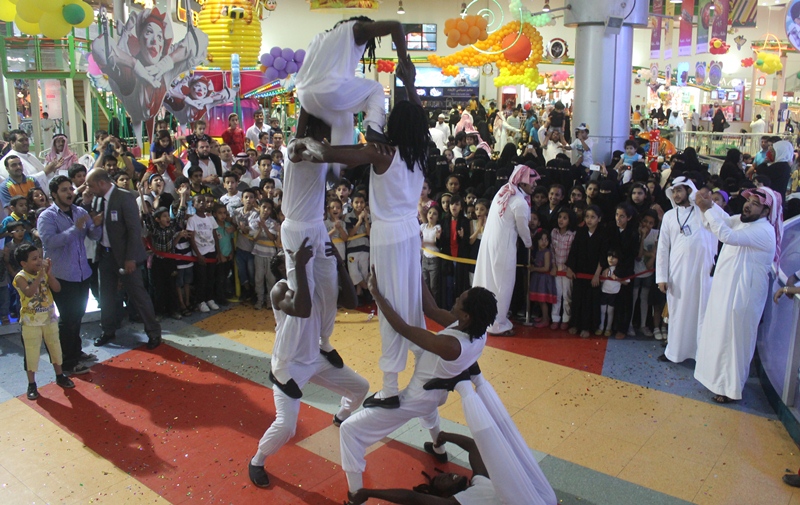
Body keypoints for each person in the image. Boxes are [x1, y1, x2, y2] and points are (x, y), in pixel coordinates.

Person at [293, 58, 428, 408]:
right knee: (410, 302)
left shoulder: (381, 153)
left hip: (388, 237)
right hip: (410, 232)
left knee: (388, 304)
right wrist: (409, 84)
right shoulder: (420, 152)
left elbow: (327, 153)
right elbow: (419, 118)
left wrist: (300, 141)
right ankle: (424, 366)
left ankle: (390, 387)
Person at [339, 268, 498, 499]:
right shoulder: (478, 331)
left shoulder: (451, 346)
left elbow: (402, 329)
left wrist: (376, 294)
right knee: (430, 407)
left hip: (417, 399)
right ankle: (438, 448)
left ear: (466, 316)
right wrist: (415, 269)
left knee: (349, 430)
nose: (456, 298)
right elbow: (430, 309)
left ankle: (356, 495)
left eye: (460, 300)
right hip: (435, 391)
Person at [248, 239, 369, 489]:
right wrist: (300, 267)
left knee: (361, 388)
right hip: (289, 366)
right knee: (286, 427)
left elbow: (352, 303)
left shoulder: (316, 286)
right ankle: (257, 461)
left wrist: (339, 264)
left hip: (316, 357)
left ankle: (341, 415)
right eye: (291, 258)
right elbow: (301, 309)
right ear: (283, 268)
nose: (302, 258)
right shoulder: (280, 290)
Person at [694, 187, 783, 403]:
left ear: (766, 212)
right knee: (719, 334)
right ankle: (716, 381)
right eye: (748, 200)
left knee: (735, 341)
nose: (748, 205)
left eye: (755, 203)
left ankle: (730, 389)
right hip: (726, 290)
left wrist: (707, 209)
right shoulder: (743, 221)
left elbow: (727, 235)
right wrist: (710, 205)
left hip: (743, 295)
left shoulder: (763, 230)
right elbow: (725, 220)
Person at [295, 16, 409, 146]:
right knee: (375, 89)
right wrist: (404, 64)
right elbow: (395, 26)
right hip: (330, 91)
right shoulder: (356, 29)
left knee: (345, 121)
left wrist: (298, 136)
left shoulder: (319, 39)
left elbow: (310, 86)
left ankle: (338, 155)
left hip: (305, 97)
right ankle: (375, 129)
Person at [86, 169, 162, 350]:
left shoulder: (124, 197)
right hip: (105, 255)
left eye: (91, 185)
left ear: (101, 183)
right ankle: (108, 330)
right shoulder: (97, 199)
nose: (89, 189)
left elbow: (134, 230)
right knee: (106, 296)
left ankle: (153, 332)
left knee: (138, 295)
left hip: (126, 256)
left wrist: (130, 258)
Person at [37, 175, 103, 376]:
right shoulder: (47, 217)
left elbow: (94, 236)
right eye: (64, 190)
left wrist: (96, 225)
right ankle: (66, 361)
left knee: (77, 315)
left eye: (71, 189)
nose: (69, 193)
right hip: (62, 276)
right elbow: (50, 242)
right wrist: (76, 228)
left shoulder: (80, 211)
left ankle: (76, 351)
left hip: (82, 273)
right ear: (54, 194)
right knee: (68, 318)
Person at [473, 164, 537, 335]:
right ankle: (497, 324)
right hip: (503, 246)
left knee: (487, 280)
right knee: (502, 285)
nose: (535, 185)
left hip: (490, 243)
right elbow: (523, 229)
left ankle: (483, 318)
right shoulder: (519, 202)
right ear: (523, 182)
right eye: (532, 181)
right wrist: (529, 243)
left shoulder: (504, 190)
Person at [347, 431, 496, 504]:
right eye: (443, 480)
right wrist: (368, 492)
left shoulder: (480, 480)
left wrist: (444, 436)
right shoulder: (457, 502)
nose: (448, 475)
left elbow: (473, 446)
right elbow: (412, 497)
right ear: (444, 495)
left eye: (445, 475)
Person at [13, 244, 76, 400]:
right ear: (23, 263)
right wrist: (40, 276)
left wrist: (49, 274)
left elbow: (57, 288)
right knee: (31, 352)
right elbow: (29, 292)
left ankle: (60, 375)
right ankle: (32, 384)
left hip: (49, 318)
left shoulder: (44, 274)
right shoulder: (20, 277)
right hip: (30, 323)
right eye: (34, 259)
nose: (39, 261)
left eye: (39, 257)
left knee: (55, 347)